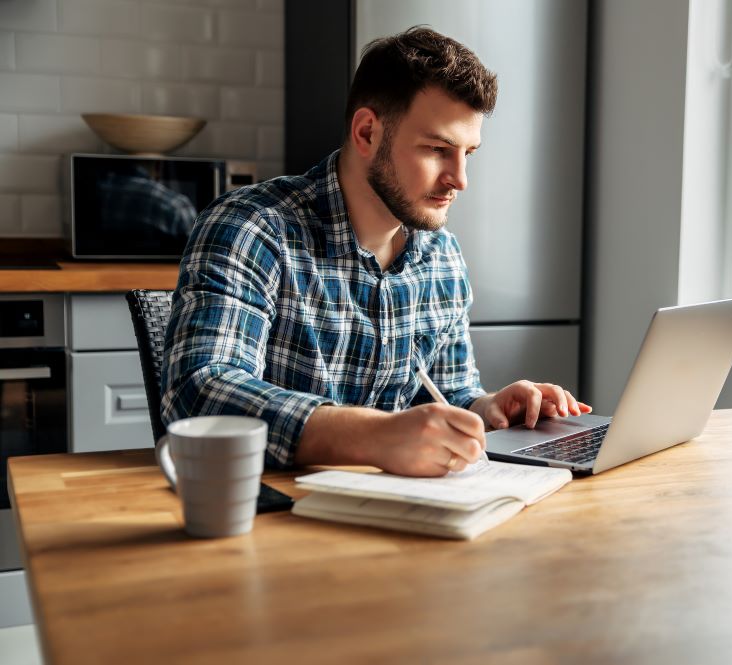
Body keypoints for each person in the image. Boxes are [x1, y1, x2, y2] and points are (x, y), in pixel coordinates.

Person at [161, 27, 590, 477]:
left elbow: (445, 395)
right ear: (367, 133)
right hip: (269, 516)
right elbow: (200, 392)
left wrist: (487, 409)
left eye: (468, 153)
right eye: (438, 150)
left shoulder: (441, 257)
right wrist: (375, 437)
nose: (460, 179)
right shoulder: (252, 228)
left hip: (399, 523)